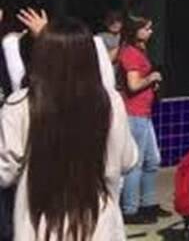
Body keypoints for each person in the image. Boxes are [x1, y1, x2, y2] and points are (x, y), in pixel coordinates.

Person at [0, 15, 138, 241]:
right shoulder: (109, 102)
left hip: (39, 229)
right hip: (100, 228)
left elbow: (4, 172)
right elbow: (128, 160)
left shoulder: (20, 105)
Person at [118, 13, 166, 225]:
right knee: (135, 162)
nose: (150, 31)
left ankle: (148, 203)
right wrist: (151, 78)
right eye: (146, 28)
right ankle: (130, 209)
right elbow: (133, 85)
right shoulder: (130, 53)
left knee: (152, 160)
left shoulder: (140, 51)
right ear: (135, 30)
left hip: (144, 113)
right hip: (134, 113)